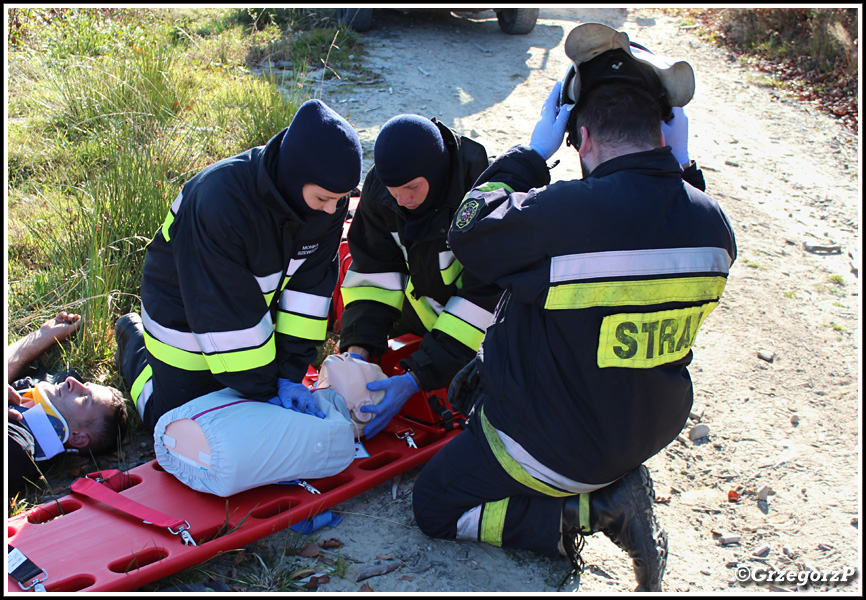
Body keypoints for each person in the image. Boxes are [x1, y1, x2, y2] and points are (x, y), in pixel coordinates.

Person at [412, 23, 737, 592]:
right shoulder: (715, 228)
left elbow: (470, 230)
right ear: (665, 135)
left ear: (581, 139)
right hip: (647, 427)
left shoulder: (564, 214)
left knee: (434, 504)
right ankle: (610, 482)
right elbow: (604, 314)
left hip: (558, 444)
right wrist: (686, 172)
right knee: (550, 293)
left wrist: (532, 154)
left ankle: (598, 509)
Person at [115, 98, 364, 434]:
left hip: (247, 310)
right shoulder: (221, 200)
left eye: (341, 199)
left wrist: (289, 375)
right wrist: (263, 390)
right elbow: (222, 309)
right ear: (293, 177)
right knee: (173, 425)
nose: (333, 211)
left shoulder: (328, 199)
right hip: (182, 312)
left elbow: (310, 292)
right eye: (323, 199)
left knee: (242, 409)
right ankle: (133, 341)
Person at [337, 114, 502, 438]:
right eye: (393, 190)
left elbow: (483, 305)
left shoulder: (484, 198)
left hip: (489, 328)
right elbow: (373, 275)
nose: (402, 200)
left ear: (435, 171)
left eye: (411, 188)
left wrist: (417, 377)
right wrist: (358, 349)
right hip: (428, 312)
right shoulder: (381, 191)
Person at [8, 312, 129, 499]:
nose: (72, 382)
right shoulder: (24, 406)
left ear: (78, 438)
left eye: (84, 398)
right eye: (84, 385)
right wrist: (44, 335)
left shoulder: (17, 448)